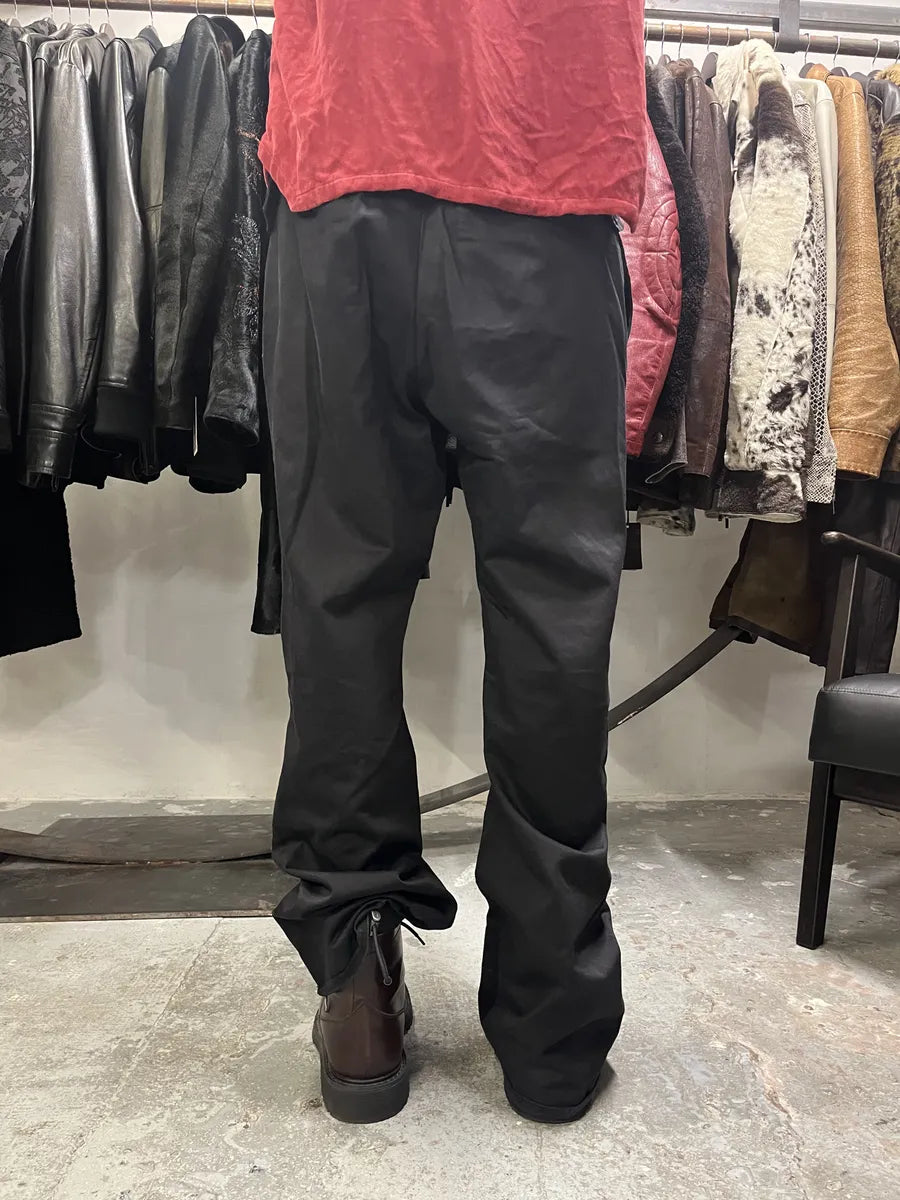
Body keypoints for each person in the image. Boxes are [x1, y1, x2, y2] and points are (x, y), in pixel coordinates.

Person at [258, 0, 648, 1125]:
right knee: (551, 617)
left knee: (339, 598)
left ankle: (356, 995)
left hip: (347, 161)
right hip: (543, 158)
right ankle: (553, 1031)